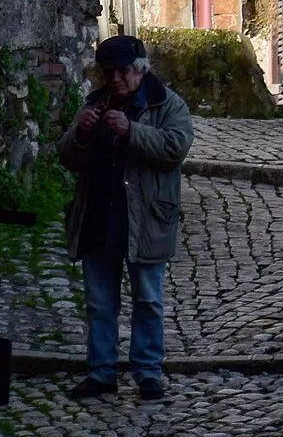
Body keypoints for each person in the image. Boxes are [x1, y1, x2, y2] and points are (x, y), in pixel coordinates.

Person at [55, 35, 194, 402]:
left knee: (147, 299)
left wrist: (132, 131)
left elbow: (175, 148)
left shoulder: (166, 103)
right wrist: (82, 134)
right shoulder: (95, 104)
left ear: (139, 70)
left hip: (146, 220)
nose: (115, 78)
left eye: (121, 71)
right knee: (100, 301)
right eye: (108, 72)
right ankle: (101, 372)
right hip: (100, 215)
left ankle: (148, 373)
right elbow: (66, 156)